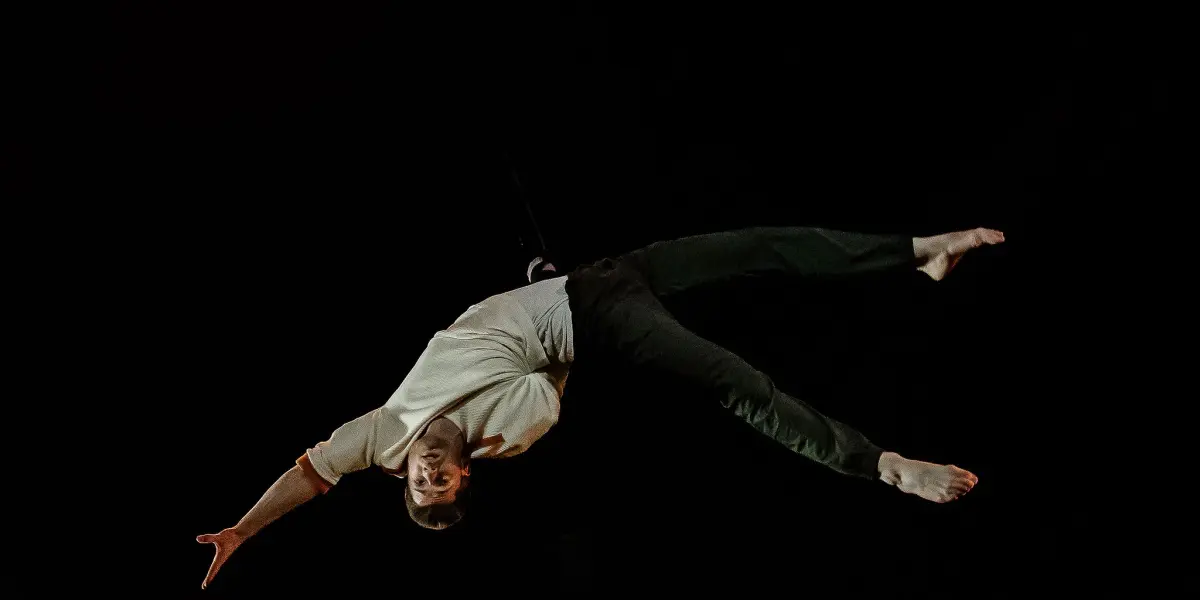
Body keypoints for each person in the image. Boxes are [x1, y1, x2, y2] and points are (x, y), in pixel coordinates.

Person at [197, 225, 1002, 589]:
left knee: (758, 246)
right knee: (737, 381)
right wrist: (547, 296)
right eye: (444, 484)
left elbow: (308, 474)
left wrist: (242, 527)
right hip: (599, 317)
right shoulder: (514, 431)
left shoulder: (381, 434)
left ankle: (915, 253)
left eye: (420, 484)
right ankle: (882, 464)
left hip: (608, 274)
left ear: (403, 473)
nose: (432, 473)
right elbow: (550, 362)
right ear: (466, 476)